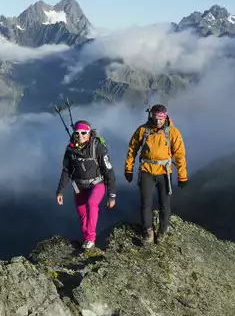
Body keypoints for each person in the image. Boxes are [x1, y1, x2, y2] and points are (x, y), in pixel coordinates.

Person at [123, 104, 188, 244]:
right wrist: (128, 169)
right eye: (155, 117)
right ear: (150, 115)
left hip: (164, 171)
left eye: (161, 118)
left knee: (165, 203)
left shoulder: (172, 132)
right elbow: (132, 149)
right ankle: (148, 231)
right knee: (146, 203)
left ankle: (162, 231)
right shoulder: (143, 130)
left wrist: (182, 176)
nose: (158, 121)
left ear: (165, 116)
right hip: (147, 171)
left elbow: (180, 155)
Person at [56, 120, 116, 249]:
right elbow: (66, 171)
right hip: (78, 186)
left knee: (91, 204)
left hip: (97, 184)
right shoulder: (70, 150)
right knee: (82, 213)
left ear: (89, 133)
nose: (80, 135)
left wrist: (112, 195)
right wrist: (60, 191)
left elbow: (109, 171)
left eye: (84, 132)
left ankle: (90, 238)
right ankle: (86, 239)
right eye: (77, 133)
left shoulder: (98, 148)